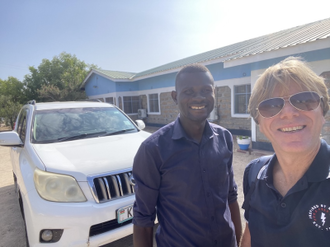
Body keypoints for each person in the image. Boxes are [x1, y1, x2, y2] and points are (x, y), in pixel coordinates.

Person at [132, 64, 242, 247]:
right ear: (175, 97)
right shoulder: (153, 149)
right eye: (189, 91)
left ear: (214, 93)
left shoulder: (225, 138)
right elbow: (143, 219)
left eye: (206, 90)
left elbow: (231, 197)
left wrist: (239, 242)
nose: (198, 97)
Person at [241, 57, 330, 247]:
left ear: (323, 112)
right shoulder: (254, 173)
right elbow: (251, 233)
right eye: (271, 105)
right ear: (260, 124)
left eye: (305, 100)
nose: (289, 112)